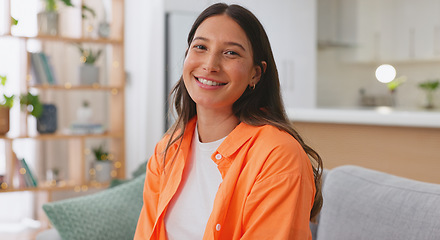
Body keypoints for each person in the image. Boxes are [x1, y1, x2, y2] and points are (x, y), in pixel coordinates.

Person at [134, 3, 323, 240]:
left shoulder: (278, 156)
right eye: (200, 47)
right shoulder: (166, 150)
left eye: (231, 53)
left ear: (255, 74)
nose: (210, 65)